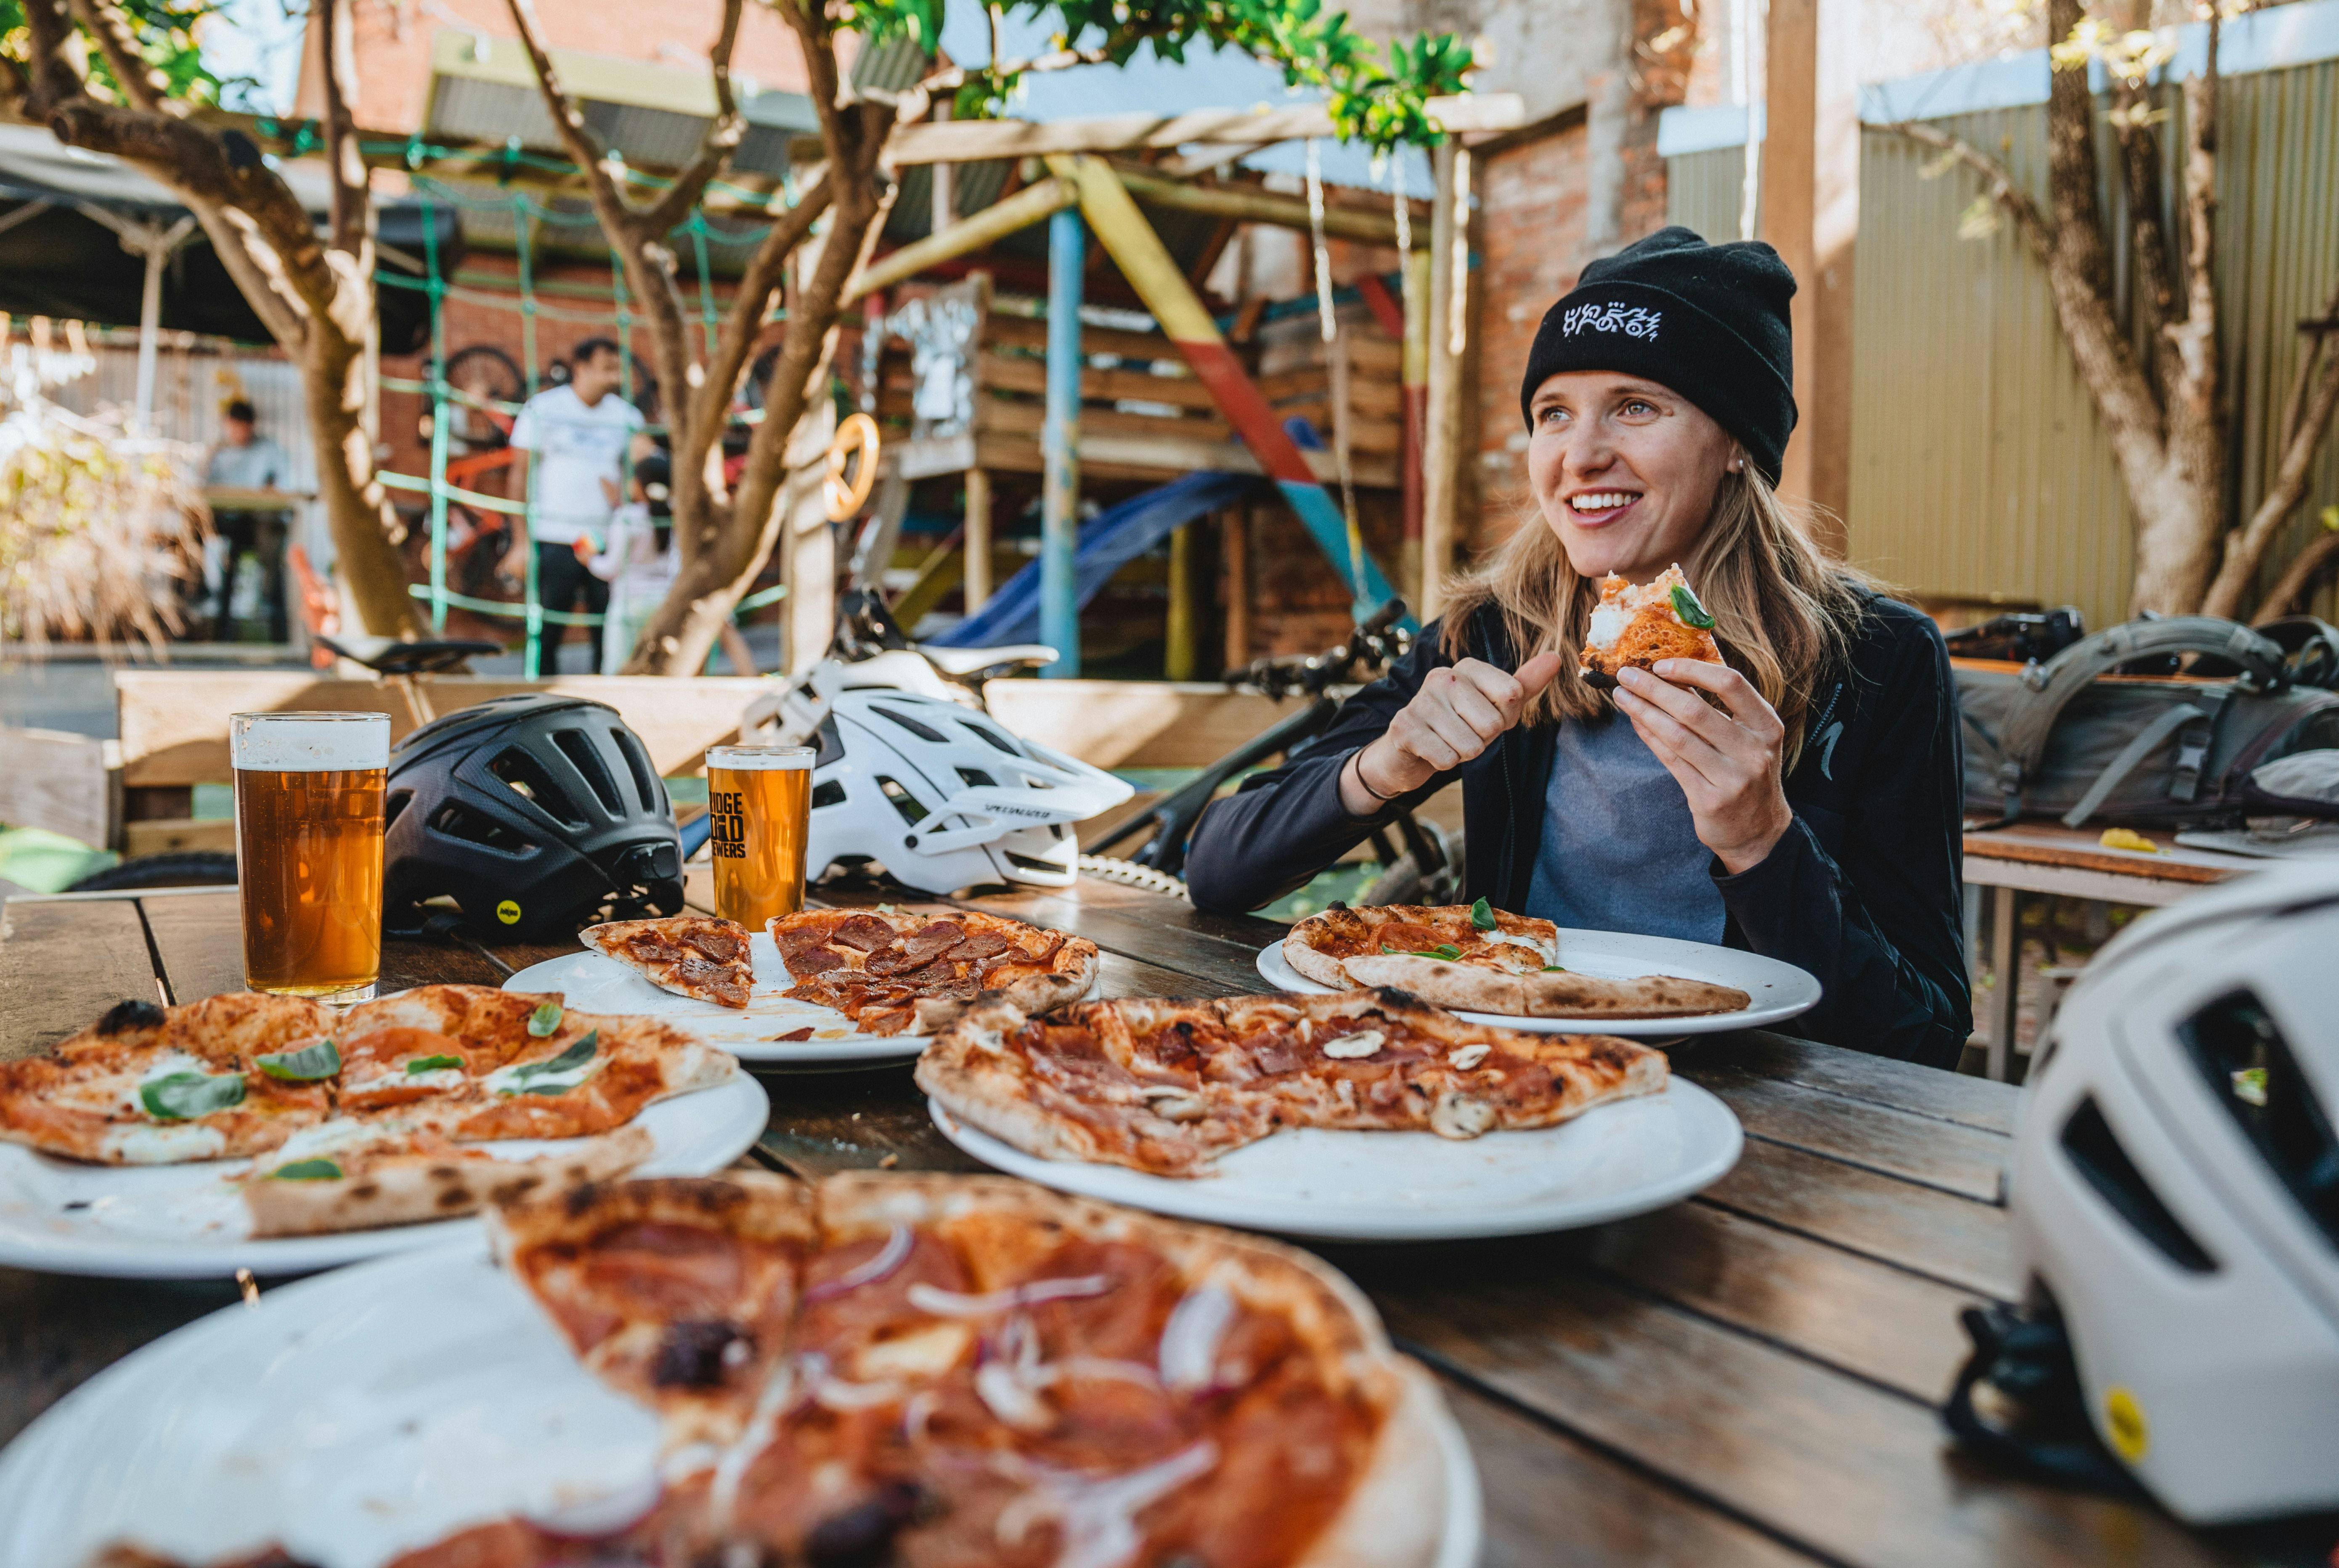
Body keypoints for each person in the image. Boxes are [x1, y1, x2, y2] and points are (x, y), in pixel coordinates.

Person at [1184, 228, 1971, 1067]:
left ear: (1737, 440)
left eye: (1636, 406)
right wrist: (1382, 766)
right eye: (1552, 413)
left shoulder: (1880, 659)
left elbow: (1924, 1032)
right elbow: (1215, 870)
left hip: (1768, 1107)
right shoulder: (1489, 629)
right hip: (1511, 1072)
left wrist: (1760, 843)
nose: (1581, 455)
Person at [509, 338, 642, 672]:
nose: (615, 377)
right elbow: (519, 474)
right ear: (581, 369)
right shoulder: (544, 408)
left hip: (608, 540)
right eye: (607, 368)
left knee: (607, 633)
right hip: (556, 536)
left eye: (617, 369)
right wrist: (521, 542)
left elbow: (642, 474)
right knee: (548, 631)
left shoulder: (627, 417)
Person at [204, 398, 293, 643]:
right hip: (225, 522)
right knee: (189, 533)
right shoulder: (218, 453)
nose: (237, 432)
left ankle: (275, 618)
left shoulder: (268, 451)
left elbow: (283, 487)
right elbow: (200, 486)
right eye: (233, 426)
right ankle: (197, 600)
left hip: (258, 525)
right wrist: (206, 460)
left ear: (251, 426)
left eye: (242, 426)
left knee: (270, 549)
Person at [583, 449, 678, 673]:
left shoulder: (627, 518)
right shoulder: (675, 517)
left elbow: (611, 569)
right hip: (664, 600)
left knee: (616, 667)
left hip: (629, 603)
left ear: (639, 483)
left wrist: (590, 560)